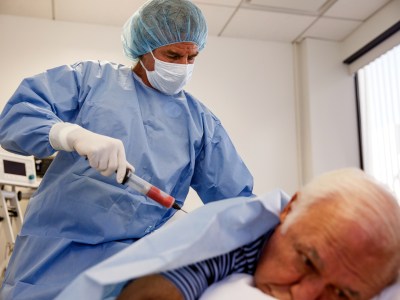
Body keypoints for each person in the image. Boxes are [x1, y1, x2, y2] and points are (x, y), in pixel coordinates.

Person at [0, 0, 254, 299]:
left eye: (191, 57)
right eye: (172, 55)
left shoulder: (199, 122)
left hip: (133, 272)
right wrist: (71, 135)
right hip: (50, 260)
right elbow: (17, 117)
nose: (182, 66)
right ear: (144, 47)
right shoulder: (92, 81)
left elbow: (239, 205)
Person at [57, 168, 399, 300]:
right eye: (308, 261)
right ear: (290, 210)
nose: (304, 296)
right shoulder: (238, 240)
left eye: (341, 295)